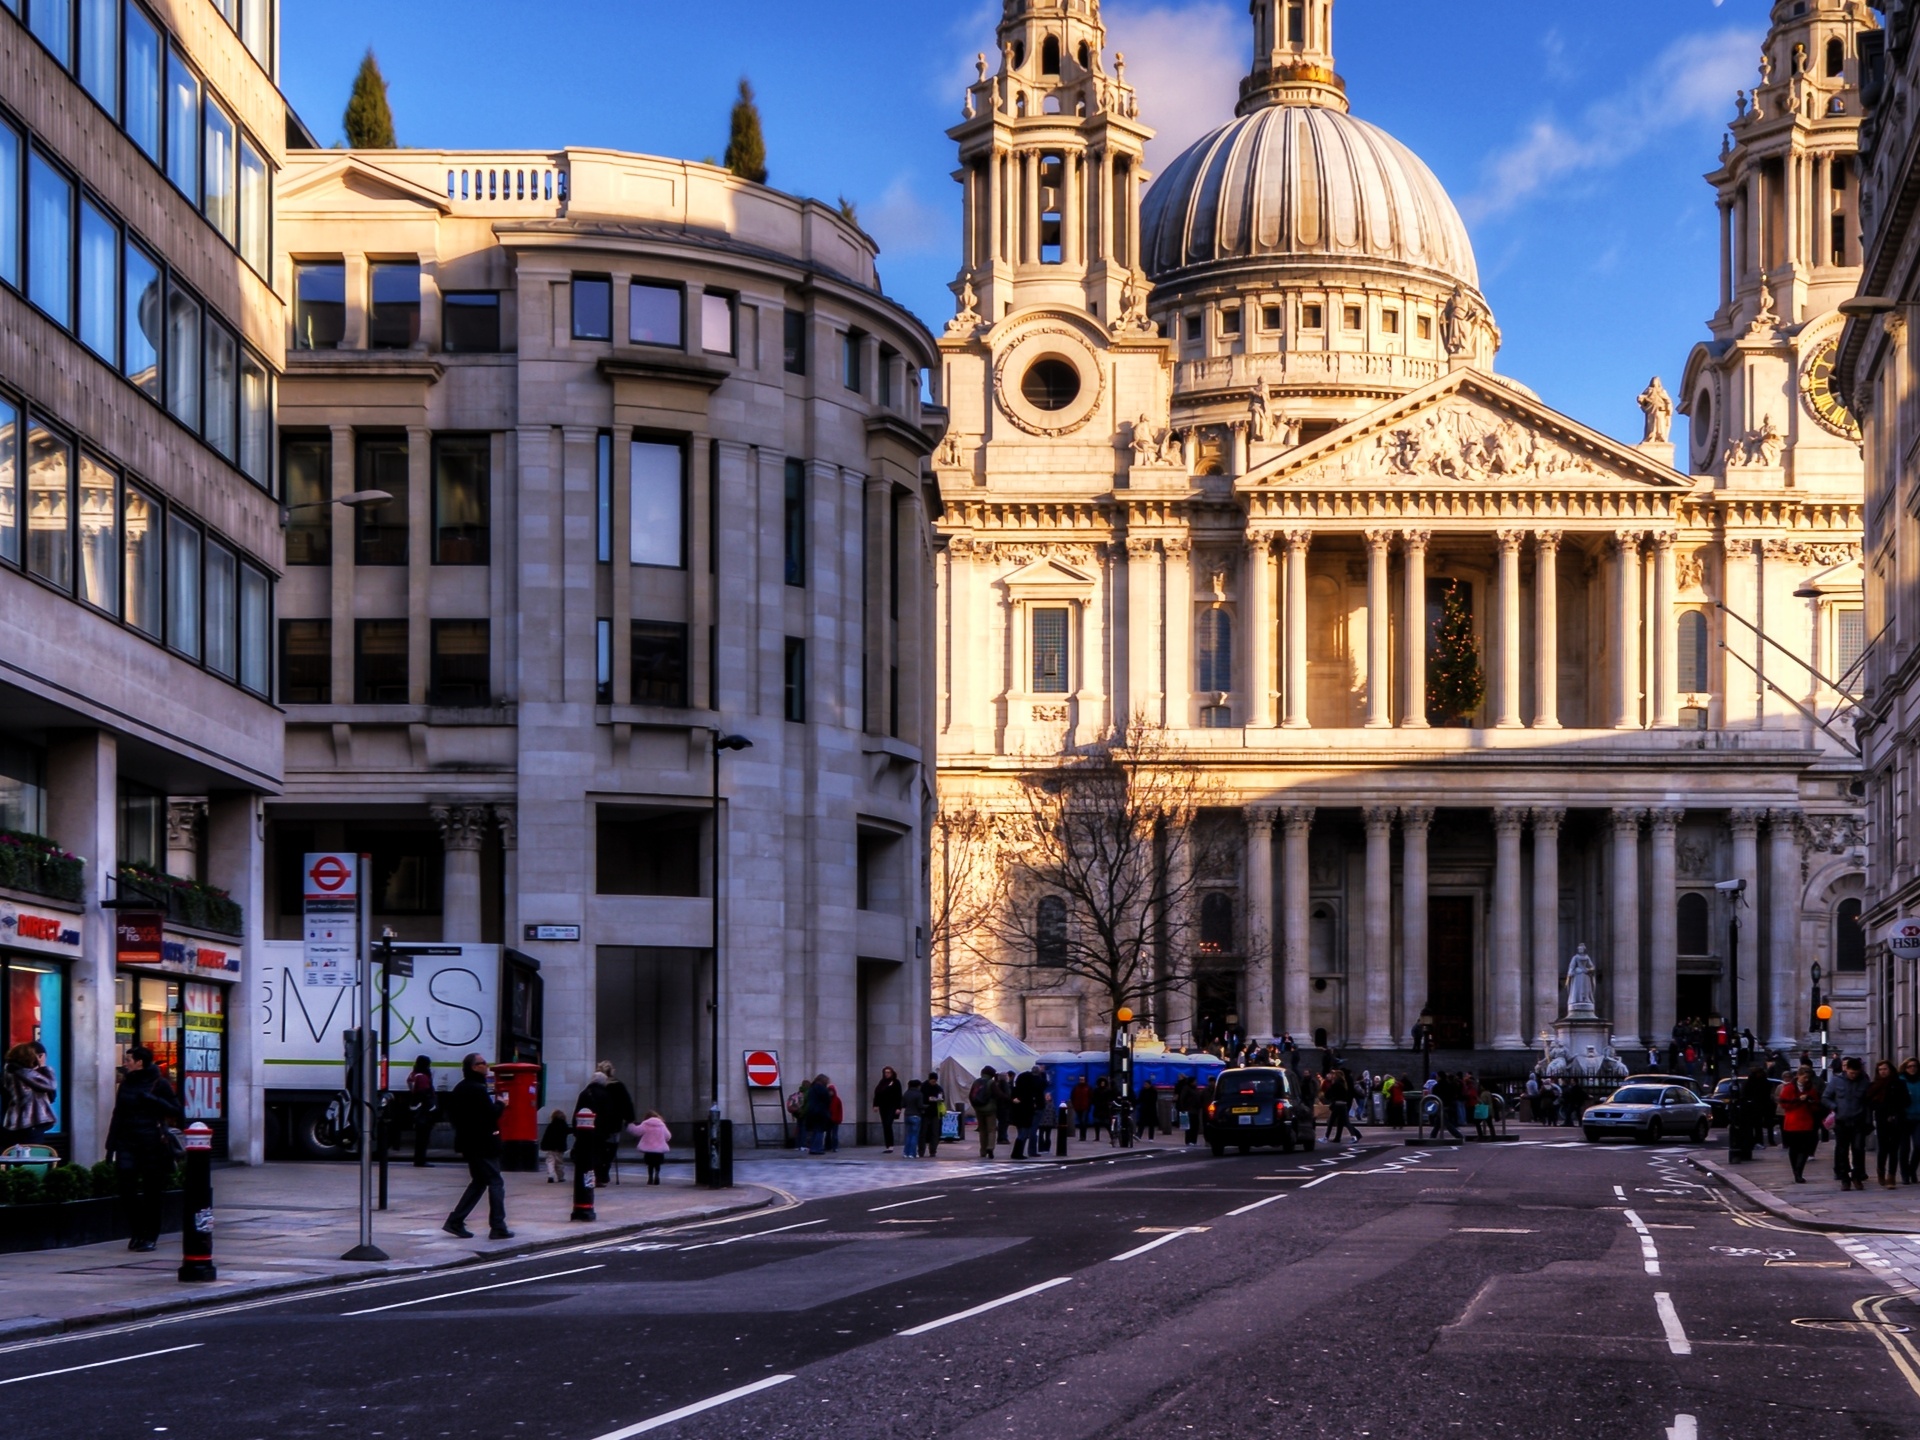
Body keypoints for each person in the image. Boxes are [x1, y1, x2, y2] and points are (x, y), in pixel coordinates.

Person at [105, 1045, 182, 1252]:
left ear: (140, 1062)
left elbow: (176, 1110)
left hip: (152, 1143)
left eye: (129, 1060)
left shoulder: (159, 1083)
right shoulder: (125, 1084)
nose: (125, 1063)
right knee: (126, 1190)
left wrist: (153, 1100)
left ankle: (150, 1235)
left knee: (152, 1192)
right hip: (127, 1141)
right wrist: (110, 1144)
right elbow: (117, 1113)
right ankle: (137, 1230)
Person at [444, 1053, 512, 1239]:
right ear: (474, 1067)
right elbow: (489, 1115)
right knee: (495, 1182)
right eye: (483, 1063)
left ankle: (455, 1221)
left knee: (479, 1182)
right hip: (483, 1143)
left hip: (469, 1142)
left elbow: (453, 1116)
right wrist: (501, 1104)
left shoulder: (460, 1088)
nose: (486, 1065)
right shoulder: (477, 1089)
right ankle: (498, 1226)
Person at [576, 1061, 636, 1185]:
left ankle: (598, 1171)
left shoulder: (591, 1088)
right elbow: (626, 1104)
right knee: (611, 1148)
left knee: (597, 1148)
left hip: (594, 1123)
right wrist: (629, 1119)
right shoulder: (618, 1086)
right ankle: (604, 1170)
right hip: (613, 1123)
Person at [1827, 1056, 1872, 1191]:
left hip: (1858, 1121)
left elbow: (1868, 1104)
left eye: (1856, 1073)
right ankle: (1844, 1178)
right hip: (1842, 1121)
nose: (1853, 1076)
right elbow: (1825, 1097)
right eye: (1851, 1073)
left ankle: (1857, 1177)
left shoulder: (1864, 1083)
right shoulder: (1836, 1081)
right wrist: (1835, 1107)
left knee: (1858, 1149)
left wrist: (1868, 1121)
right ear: (1847, 1070)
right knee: (1842, 1150)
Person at [1, 1040, 57, 1147]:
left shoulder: (10, 1071)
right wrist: (43, 1066)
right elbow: (50, 1084)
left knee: (15, 1156)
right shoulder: (22, 1073)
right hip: (30, 1123)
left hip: (14, 1122)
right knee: (31, 1156)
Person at [1868, 1061, 1907, 1189]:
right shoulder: (1875, 1085)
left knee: (1894, 1149)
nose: (1883, 1071)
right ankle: (1881, 1171)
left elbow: (1906, 1100)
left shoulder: (1899, 1084)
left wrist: (1895, 1112)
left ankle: (1891, 1176)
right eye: (1880, 1069)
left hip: (1896, 1119)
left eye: (1885, 1069)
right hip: (1881, 1119)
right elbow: (1869, 1102)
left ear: (1890, 1069)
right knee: (1883, 1148)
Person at [405, 1055, 439, 1167]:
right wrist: (432, 1107)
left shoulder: (413, 1075)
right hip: (423, 1111)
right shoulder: (423, 1077)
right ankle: (421, 1160)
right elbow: (424, 1094)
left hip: (416, 1108)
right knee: (423, 1137)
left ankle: (418, 1159)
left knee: (419, 1137)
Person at [627, 1110, 672, 1184]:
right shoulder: (661, 1124)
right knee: (657, 1164)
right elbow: (668, 1136)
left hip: (648, 1149)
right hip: (659, 1149)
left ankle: (650, 1178)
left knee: (650, 1165)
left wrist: (629, 1125)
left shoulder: (645, 1124)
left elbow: (637, 1131)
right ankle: (657, 1176)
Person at [969, 1066, 1000, 1159]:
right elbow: (998, 1095)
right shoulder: (991, 1082)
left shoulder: (976, 1082)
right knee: (991, 1130)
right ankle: (990, 1147)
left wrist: (975, 1107)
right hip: (990, 1110)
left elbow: (971, 1095)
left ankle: (982, 1151)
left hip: (979, 1109)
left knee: (982, 1131)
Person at [1010, 1066, 1040, 1158]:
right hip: (1025, 1115)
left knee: (1021, 1134)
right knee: (1023, 1134)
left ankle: (1017, 1153)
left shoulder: (1016, 1090)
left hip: (1018, 1115)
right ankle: (1017, 1153)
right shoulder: (1028, 1092)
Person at [872, 1066, 903, 1153]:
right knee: (885, 1125)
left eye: (888, 1072)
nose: (887, 1074)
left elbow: (899, 1095)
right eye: (885, 1072)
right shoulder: (882, 1082)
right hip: (883, 1106)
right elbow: (877, 1094)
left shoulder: (896, 1082)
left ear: (892, 1073)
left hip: (892, 1106)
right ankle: (888, 1145)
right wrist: (875, 1105)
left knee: (888, 1124)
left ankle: (891, 1145)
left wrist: (898, 1107)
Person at [802, 1074, 833, 1155]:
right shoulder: (822, 1089)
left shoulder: (812, 1089)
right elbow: (827, 1100)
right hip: (820, 1112)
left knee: (815, 1131)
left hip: (812, 1112)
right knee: (819, 1131)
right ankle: (817, 1148)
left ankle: (813, 1148)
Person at [539, 1107, 571, 1183]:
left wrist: (543, 1145)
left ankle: (550, 1175)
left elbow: (546, 1136)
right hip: (560, 1148)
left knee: (550, 1162)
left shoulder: (550, 1125)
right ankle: (560, 1177)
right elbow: (569, 1130)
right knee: (559, 1163)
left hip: (550, 1147)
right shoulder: (564, 1125)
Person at [921, 1073, 945, 1158]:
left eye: (935, 1081)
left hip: (935, 1113)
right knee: (923, 1133)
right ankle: (921, 1151)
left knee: (935, 1132)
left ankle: (933, 1151)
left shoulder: (938, 1088)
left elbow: (943, 1098)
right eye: (932, 1080)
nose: (934, 1082)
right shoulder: (923, 1087)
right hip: (925, 1113)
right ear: (929, 1079)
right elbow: (921, 1099)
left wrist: (939, 1099)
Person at [902, 1077, 925, 1158]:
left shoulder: (906, 1093)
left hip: (907, 1115)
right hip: (916, 1115)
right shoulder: (919, 1094)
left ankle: (906, 1153)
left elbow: (903, 1104)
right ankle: (912, 1153)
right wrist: (926, 1107)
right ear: (918, 1086)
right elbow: (920, 1105)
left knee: (908, 1135)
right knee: (914, 1135)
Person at [1090, 1076, 1114, 1145]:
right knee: (1097, 1123)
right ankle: (1097, 1137)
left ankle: (1112, 1137)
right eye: (1101, 1083)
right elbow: (1093, 1099)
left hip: (1105, 1109)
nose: (1102, 1084)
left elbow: (1110, 1098)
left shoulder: (1108, 1091)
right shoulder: (1096, 1090)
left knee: (1107, 1124)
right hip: (1098, 1109)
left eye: (1103, 1083)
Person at [1071, 1076, 1094, 1141]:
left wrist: (1089, 1105)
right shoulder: (1076, 1088)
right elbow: (1072, 1097)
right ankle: (1082, 1136)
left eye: (1082, 1079)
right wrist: (1074, 1105)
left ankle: (1083, 1136)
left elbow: (1091, 1097)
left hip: (1085, 1107)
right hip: (1077, 1107)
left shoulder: (1088, 1088)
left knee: (1083, 1121)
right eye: (1080, 1079)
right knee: (1081, 1121)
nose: (1081, 1080)